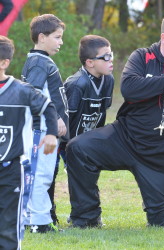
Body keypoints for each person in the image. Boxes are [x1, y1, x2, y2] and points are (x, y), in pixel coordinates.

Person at [66, 13, 164, 229]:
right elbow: (129, 89)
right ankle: (86, 218)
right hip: (124, 139)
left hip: (161, 156)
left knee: (163, 221)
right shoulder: (143, 57)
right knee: (78, 148)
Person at [0, 35, 57, 250]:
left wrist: (51, 134)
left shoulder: (21, 91)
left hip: (11, 169)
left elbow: (48, 107)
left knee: (8, 224)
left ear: (4, 63)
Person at [50, 35, 114, 224]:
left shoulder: (108, 81)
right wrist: (69, 146)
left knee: (88, 175)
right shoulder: (77, 85)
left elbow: (101, 114)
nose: (111, 61)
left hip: (87, 142)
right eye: (106, 57)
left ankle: (84, 214)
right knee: (75, 175)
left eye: (112, 55)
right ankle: (72, 216)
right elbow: (65, 119)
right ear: (90, 62)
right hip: (66, 141)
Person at [21, 14, 69, 233]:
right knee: (40, 175)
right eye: (57, 37)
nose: (60, 42)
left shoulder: (42, 61)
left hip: (45, 131)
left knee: (44, 175)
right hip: (41, 131)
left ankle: (37, 220)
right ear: (42, 37)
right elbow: (33, 95)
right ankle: (38, 223)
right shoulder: (39, 62)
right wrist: (55, 119)